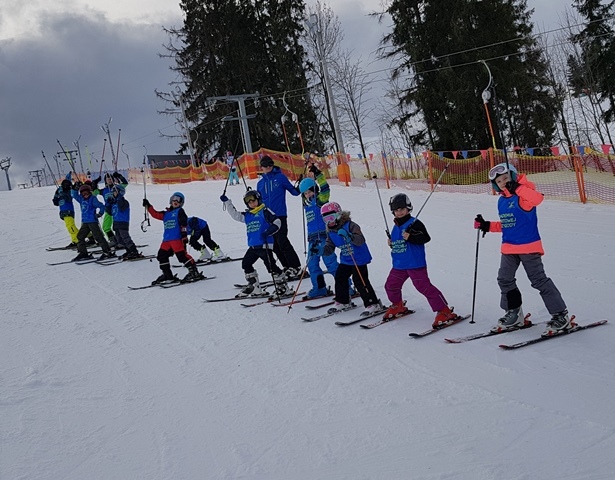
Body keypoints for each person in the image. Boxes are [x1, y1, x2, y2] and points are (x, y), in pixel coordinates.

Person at [474, 162, 571, 336]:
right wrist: (487, 225)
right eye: (499, 181)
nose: (503, 182)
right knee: (504, 279)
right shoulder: (502, 201)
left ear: (513, 176)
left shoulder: (523, 196)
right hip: (509, 247)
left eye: (505, 178)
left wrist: (518, 188)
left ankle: (560, 315)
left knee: (538, 280)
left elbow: (537, 199)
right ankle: (514, 314)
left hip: (528, 246)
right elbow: (508, 224)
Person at [384, 193, 457, 327]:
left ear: (408, 208)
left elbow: (425, 238)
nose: (399, 212)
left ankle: (444, 311)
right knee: (391, 285)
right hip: (399, 264)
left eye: (402, 209)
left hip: (415, 264)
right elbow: (400, 243)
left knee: (423, 287)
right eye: (396, 210)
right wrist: (391, 243)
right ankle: (397, 305)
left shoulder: (415, 223)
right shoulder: (396, 226)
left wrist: (411, 237)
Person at [220, 189, 291, 298]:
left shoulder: (265, 211)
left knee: (271, 266)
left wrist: (269, 231)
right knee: (246, 264)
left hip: (264, 245)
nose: (252, 203)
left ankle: (283, 287)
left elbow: (277, 222)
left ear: (259, 200)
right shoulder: (248, 215)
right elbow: (235, 215)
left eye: (254, 201)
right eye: (249, 202)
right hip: (253, 246)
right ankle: (255, 287)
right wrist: (227, 202)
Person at [321, 201, 381, 317]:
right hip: (346, 259)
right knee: (340, 277)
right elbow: (330, 247)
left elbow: (360, 240)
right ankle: (343, 301)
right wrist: (321, 250)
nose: (329, 221)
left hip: (359, 258)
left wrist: (350, 236)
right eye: (325, 219)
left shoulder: (351, 225)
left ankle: (372, 303)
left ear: (338, 215)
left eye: (331, 217)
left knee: (360, 280)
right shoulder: (330, 231)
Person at [299, 163, 342, 300]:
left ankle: (346, 287)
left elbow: (325, 189)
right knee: (312, 265)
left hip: (324, 238)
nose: (308, 195)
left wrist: (318, 175)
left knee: (331, 263)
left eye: (310, 191)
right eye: (305, 193)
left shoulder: (320, 201)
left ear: (315, 190)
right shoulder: (306, 205)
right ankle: (319, 288)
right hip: (312, 239)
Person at [256, 155, 302, 279]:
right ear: (261, 167)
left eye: (270, 165)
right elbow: (258, 202)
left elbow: (294, 192)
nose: (268, 167)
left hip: (280, 215)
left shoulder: (280, 177)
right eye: (265, 166)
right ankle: (287, 267)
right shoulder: (260, 183)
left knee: (282, 241)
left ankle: (296, 267)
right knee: (275, 244)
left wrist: (300, 185)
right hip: (268, 218)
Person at [143, 192, 203, 284]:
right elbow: (155, 214)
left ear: (181, 203)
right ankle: (167, 275)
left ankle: (194, 272)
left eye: (178, 200)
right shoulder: (166, 214)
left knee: (182, 256)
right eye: (174, 199)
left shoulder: (180, 211)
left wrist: (184, 236)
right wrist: (148, 206)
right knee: (161, 256)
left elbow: (184, 224)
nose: (175, 201)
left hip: (176, 239)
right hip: (166, 240)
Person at [71, 183, 115, 261]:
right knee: (80, 236)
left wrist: (100, 213)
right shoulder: (81, 199)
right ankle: (83, 253)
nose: (85, 195)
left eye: (87, 192)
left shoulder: (92, 199)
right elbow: (74, 195)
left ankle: (107, 252)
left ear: (90, 192)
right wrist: (75, 188)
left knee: (98, 237)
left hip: (92, 221)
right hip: (85, 222)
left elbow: (101, 206)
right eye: (83, 193)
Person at [105, 184, 141, 260]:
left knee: (125, 237)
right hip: (116, 222)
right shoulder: (114, 203)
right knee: (119, 239)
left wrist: (118, 198)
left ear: (120, 193)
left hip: (122, 222)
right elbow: (110, 212)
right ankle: (128, 250)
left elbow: (121, 207)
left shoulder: (124, 202)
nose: (113, 193)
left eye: (115, 192)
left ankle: (134, 251)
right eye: (113, 192)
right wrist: (108, 203)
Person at [95, 172, 128, 248]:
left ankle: (121, 241)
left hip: (117, 210)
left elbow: (125, 184)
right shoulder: (103, 190)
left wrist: (119, 176)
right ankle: (113, 240)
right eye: (108, 179)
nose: (109, 180)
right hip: (108, 210)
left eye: (111, 179)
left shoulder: (117, 188)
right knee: (106, 227)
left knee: (118, 227)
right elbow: (94, 193)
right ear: (105, 181)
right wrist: (95, 182)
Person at [52, 174, 78, 247]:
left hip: (68, 211)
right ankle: (89, 236)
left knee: (71, 227)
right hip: (63, 212)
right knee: (71, 226)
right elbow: (56, 201)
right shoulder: (60, 191)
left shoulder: (69, 192)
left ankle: (76, 240)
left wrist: (63, 192)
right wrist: (56, 198)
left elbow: (68, 197)